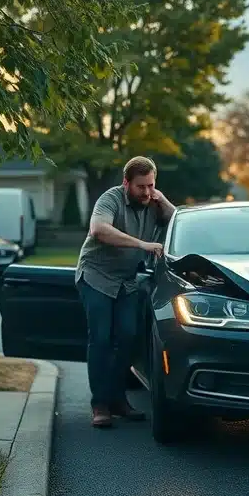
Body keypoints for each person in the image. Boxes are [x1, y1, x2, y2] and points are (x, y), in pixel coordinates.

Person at [75, 156, 176, 428]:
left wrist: (162, 199)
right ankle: (100, 404)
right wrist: (142, 245)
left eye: (151, 185)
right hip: (96, 276)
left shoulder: (154, 201)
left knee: (129, 336)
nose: (146, 192)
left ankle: (118, 399)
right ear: (126, 183)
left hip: (127, 281)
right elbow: (99, 230)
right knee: (101, 338)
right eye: (141, 186)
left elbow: (178, 220)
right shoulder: (110, 199)